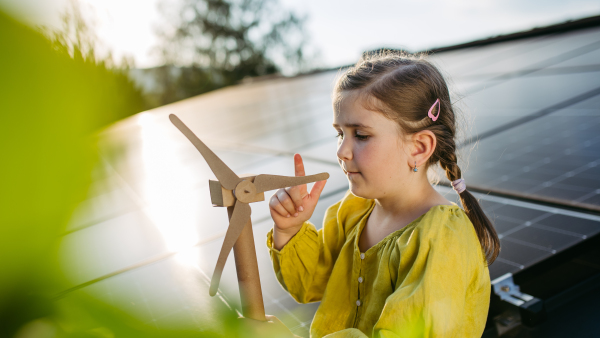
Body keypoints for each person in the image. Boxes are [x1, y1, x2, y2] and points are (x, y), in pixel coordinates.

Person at [245, 51, 500, 338]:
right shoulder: (353, 211)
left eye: (361, 135)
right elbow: (311, 284)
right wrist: (289, 230)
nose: (341, 151)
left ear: (418, 147)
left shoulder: (442, 238)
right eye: (340, 134)